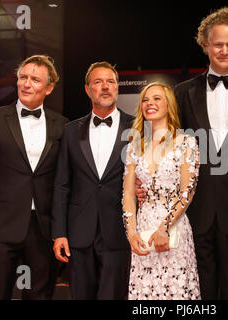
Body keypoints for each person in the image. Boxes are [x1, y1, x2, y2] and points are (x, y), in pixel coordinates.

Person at [171, 6, 228, 300]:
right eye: (218, 44)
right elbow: (168, 147)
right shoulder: (182, 92)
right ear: (206, 45)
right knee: (199, 287)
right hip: (194, 208)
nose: (224, 50)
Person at [0, 54, 68, 299]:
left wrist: (62, 230)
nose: (26, 83)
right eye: (23, 77)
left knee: (39, 296)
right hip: (0, 227)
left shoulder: (62, 125)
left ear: (49, 88)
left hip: (44, 230)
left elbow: (64, 182)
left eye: (35, 79)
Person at [52, 61, 133, 300]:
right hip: (78, 232)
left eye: (110, 82)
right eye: (98, 82)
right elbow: (61, 184)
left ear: (118, 87)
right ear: (88, 90)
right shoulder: (69, 131)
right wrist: (59, 233)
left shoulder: (138, 128)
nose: (105, 87)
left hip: (119, 230)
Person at [122, 82, 201, 300]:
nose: (150, 103)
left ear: (169, 104)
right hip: (143, 229)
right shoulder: (133, 146)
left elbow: (188, 191)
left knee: (175, 292)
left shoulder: (187, 143)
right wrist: (131, 233)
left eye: (157, 98)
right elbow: (128, 193)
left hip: (174, 227)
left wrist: (164, 228)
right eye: (146, 100)